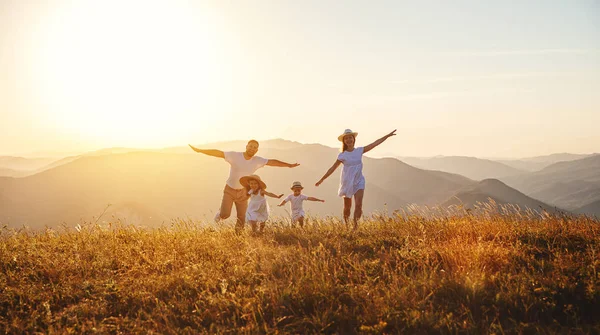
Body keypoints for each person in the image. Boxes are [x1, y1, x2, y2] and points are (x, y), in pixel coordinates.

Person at [189, 140, 299, 231]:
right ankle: (220, 213)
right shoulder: (235, 156)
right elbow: (218, 153)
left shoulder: (257, 160)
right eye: (250, 146)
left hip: (244, 192)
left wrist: (288, 165)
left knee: (242, 218)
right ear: (246, 146)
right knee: (225, 215)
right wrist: (200, 151)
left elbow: (273, 162)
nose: (252, 148)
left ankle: (238, 237)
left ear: (257, 150)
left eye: (255, 147)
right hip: (230, 190)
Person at [315, 129, 396, 229]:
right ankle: (347, 225)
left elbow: (374, 144)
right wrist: (322, 179)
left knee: (358, 205)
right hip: (347, 182)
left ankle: (355, 227)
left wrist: (387, 136)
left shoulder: (359, 151)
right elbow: (332, 168)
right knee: (347, 208)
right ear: (344, 141)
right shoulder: (342, 155)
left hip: (359, 181)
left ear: (354, 139)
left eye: (350, 137)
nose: (349, 139)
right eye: (346, 138)